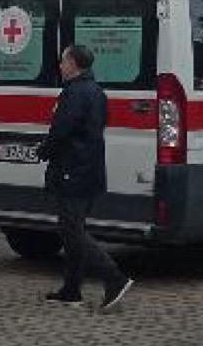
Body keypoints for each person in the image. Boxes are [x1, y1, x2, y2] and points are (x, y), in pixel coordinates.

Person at [37, 44, 135, 310]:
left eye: (63, 61)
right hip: (88, 169)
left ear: (74, 64)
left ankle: (114, 277)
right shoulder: (96, 91)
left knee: (72, 230)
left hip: (73, 170)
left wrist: (43, 151)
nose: (60, 65)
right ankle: (71, 291)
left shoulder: (75, 93)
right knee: (71, 232)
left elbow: (62, 130)